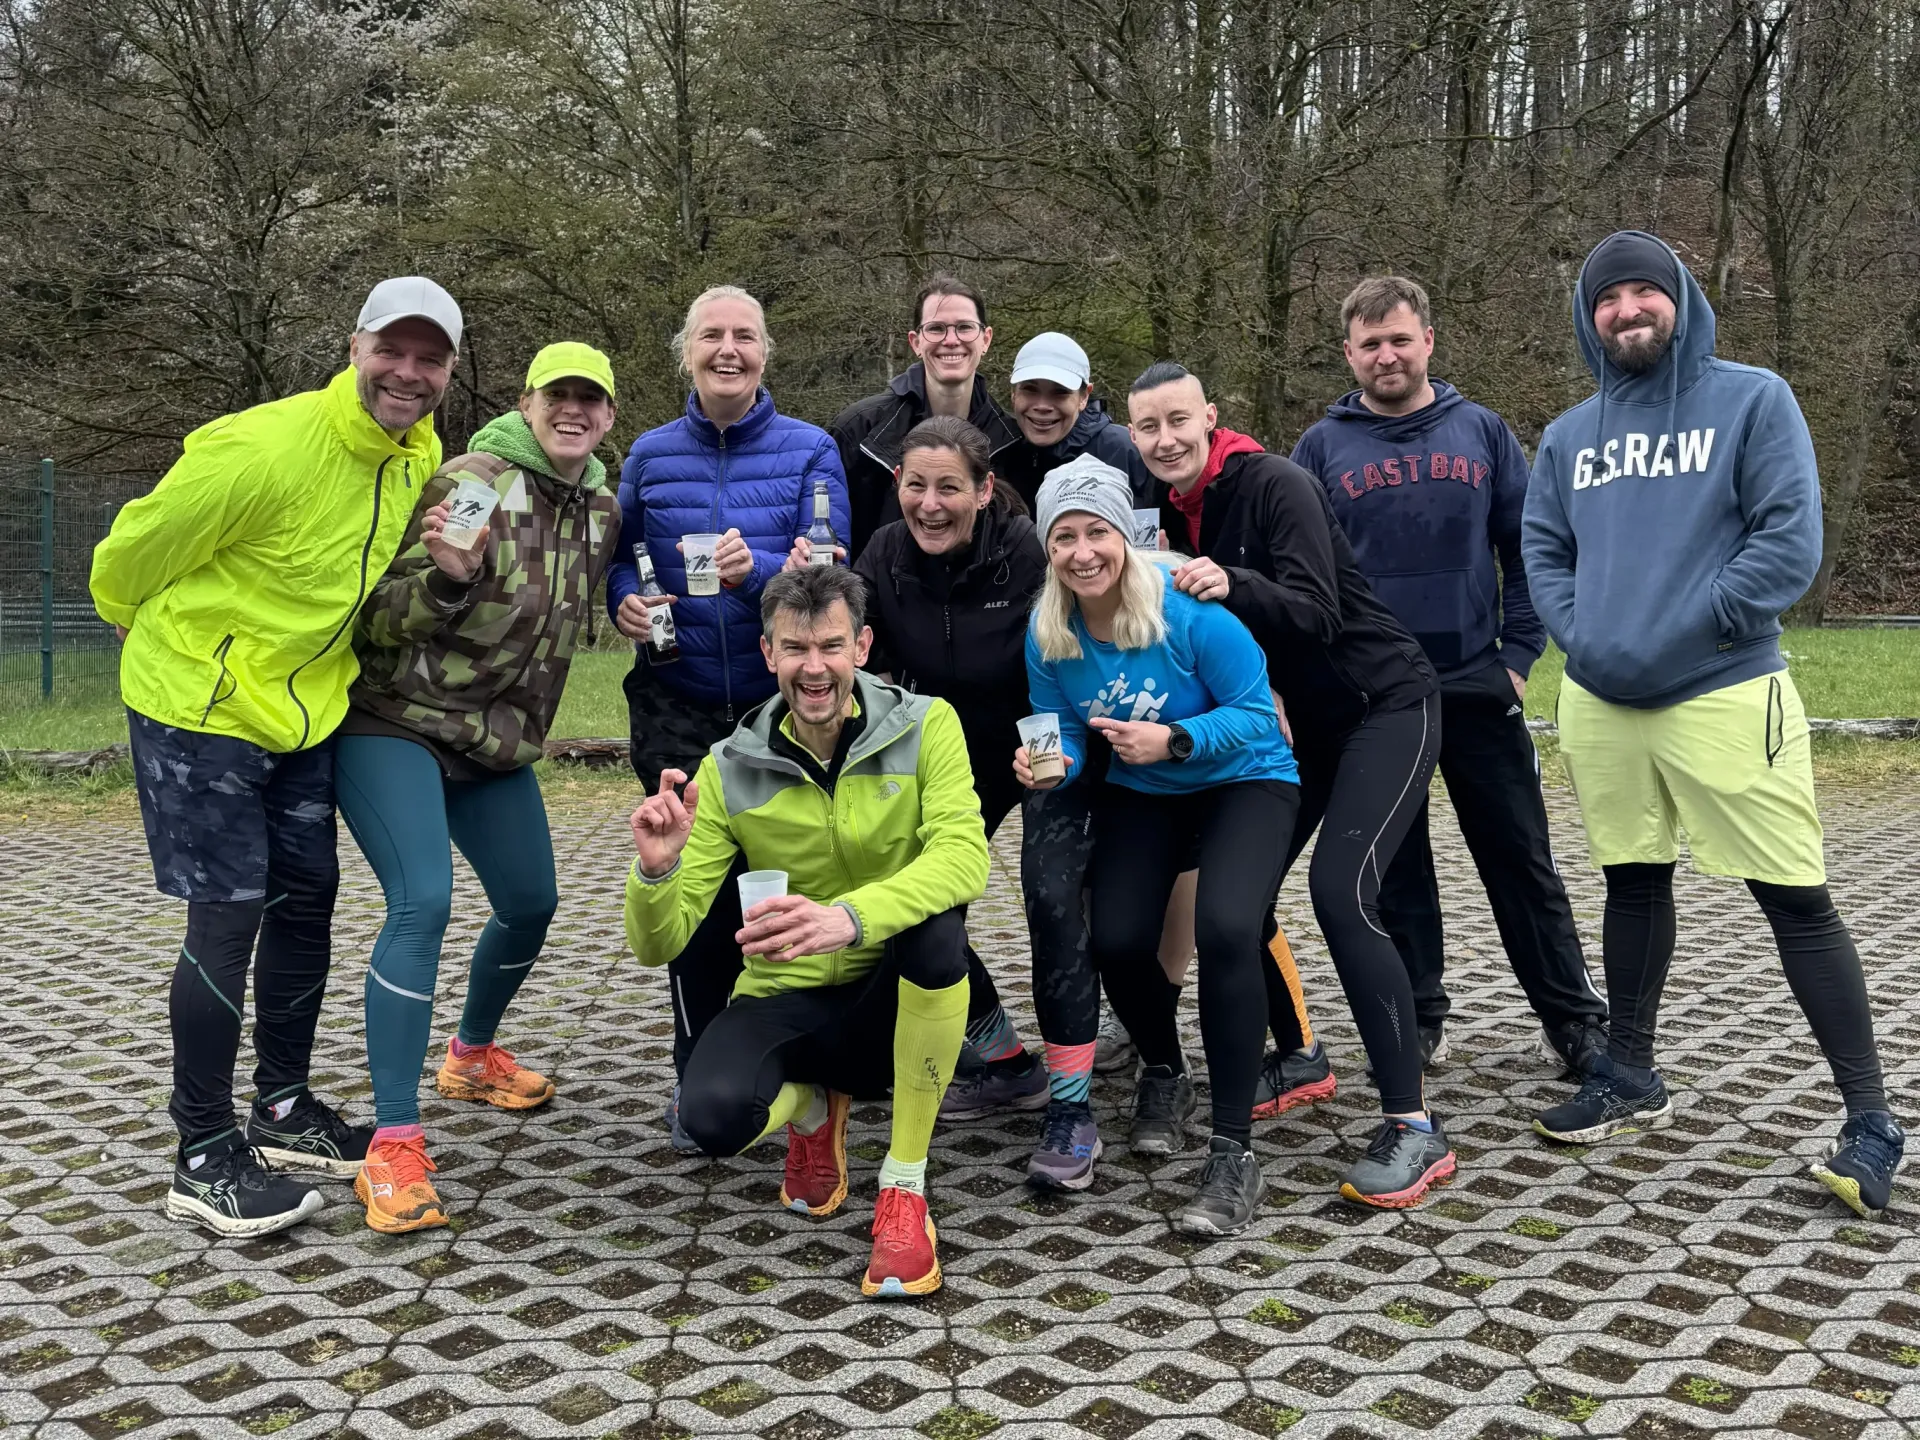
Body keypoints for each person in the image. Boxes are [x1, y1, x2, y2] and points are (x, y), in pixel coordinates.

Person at [1522, 230, 1904, 1217]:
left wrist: (1693, 627)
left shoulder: (1752, 399)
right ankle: (1630, 1071)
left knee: (1795, 898)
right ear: (1587, 318)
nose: (1627, 310)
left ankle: (1870, 1119)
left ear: (1681, 299)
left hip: (1726, 691)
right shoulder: (1569, 436)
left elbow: (1788, 539)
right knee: (1633, 881)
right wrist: (1586, 639)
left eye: (1645, 292)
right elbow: (1543, 549)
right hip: (1602, 701)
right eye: (1607, 300)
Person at [89, 276, 461, 1236]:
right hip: (202, 708)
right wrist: (143, 629)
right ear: (354, 347)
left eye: (431, 359)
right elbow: (128, 554)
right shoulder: (260, 447)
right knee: (230, 915)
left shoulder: (414, 455)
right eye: (394, 350)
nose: (408, 374)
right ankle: (203, 1151)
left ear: (449, 373)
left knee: (309, 897)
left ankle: (284, 1105)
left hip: (305, 709)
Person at [1127, 362, 1457, 1209]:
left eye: (1177, 421)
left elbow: (1317, 611)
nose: (1164, 440)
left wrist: (1230, 582)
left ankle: (1414, 1128)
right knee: (1236, 897)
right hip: (1298, 726)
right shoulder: (1162, 509)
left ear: (1211, 416)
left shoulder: (1278, 483)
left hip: (1384, 701)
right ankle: (1301, 1053)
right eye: (1146, 428)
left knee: (1342, 894)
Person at [626, 565, 989, 1297]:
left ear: (862, 646)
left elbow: (963, 856)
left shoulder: (927, 725)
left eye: (831, 646)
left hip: (890, 995)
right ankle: (818, 1109)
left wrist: (849, 920)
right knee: (710, 1119)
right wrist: (657, 873)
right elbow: (658, 945)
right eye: (795, 649)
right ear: (768, 655)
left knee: (936, 933)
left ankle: (904, 1187)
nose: (814, 668)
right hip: (785, 994)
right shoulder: (729, 765)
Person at [335, 342, 624, 1233]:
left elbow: (594, 597)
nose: (573, 412)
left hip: (496, 741)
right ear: (528, 401)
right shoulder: (476, 478)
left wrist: (640, 610)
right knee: (423, 903)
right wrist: (449, 581)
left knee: (533, 901)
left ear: (609, 415)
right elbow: (373, 610)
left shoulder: (602, 505)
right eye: (557, 397)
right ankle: (392, 1147)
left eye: (591, 400)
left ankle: (469, 1055)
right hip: (397, 721)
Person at [1292, 275, 1608, 1074]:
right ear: (1348, 355)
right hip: (1373, 695)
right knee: (1396, 866)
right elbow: (1299, 573)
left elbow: (1533, 548)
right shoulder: (1321, 450)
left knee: (1519, 858)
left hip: (1474, 679)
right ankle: (1420, 1014)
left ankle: (1573, 1019)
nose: (1387, 355)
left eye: (1400, 339)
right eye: (1371, 344)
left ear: (1429, 339)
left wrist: (1517, 659)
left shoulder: (1482, 432)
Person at [1017, 456, 1299, 1234]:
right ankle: (1165, 1069)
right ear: (1049, 549)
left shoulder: (1189, 613)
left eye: (1097, 531)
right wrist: (1052, 766)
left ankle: (1232, 1152)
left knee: (1226, 929)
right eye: (1064, 537)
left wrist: (1174, 738)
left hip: (1248, 779)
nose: (1082, 552)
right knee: (1115, 937)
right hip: (1148, 791)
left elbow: (1256, 716)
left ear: (1124, 536)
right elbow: (1067, 731)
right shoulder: (1049, 634)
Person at [602, 285, 851, 1150]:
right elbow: (618, 564)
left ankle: (803, 1069)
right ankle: (698, 1069)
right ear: (687, 351)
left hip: (783, 708)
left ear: (766, 352)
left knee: (788, 885)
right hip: (678, 702)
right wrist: (628, 604)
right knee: (695, 895)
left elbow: (831, 578)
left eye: (745, 336)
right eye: (712, 336)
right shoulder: (648, 455)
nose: (729, 351)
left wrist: (762, 579)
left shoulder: (811, 448)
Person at [821, 416, 1048, 1118]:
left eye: (949, 487)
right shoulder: (887, 550)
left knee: (1058, 900)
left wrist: (1053, 756)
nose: (930, 503)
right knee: (917, 902)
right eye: (916, 485)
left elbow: (1071, 651)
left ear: (983, 491)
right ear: (898, 485)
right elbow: (851, 638)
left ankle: (1088, 1071)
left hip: (1033, 747)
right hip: (941, 757)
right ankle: (1006, 1058)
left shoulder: (1025, 550)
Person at [828, 274, 1022, 558]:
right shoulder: (860, 431)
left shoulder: (1013, 439)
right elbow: (831, 542)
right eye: (936, 328)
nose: (951, 340)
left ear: (986, 339)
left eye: (965, 327)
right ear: (916, 342)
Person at [994, 331, 1158, 511]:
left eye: (1060, 392)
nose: (1042, 406)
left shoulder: (1129, 450)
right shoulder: (998, 452)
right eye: (1030, 390)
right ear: (1013, 393)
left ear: (1084, 397)